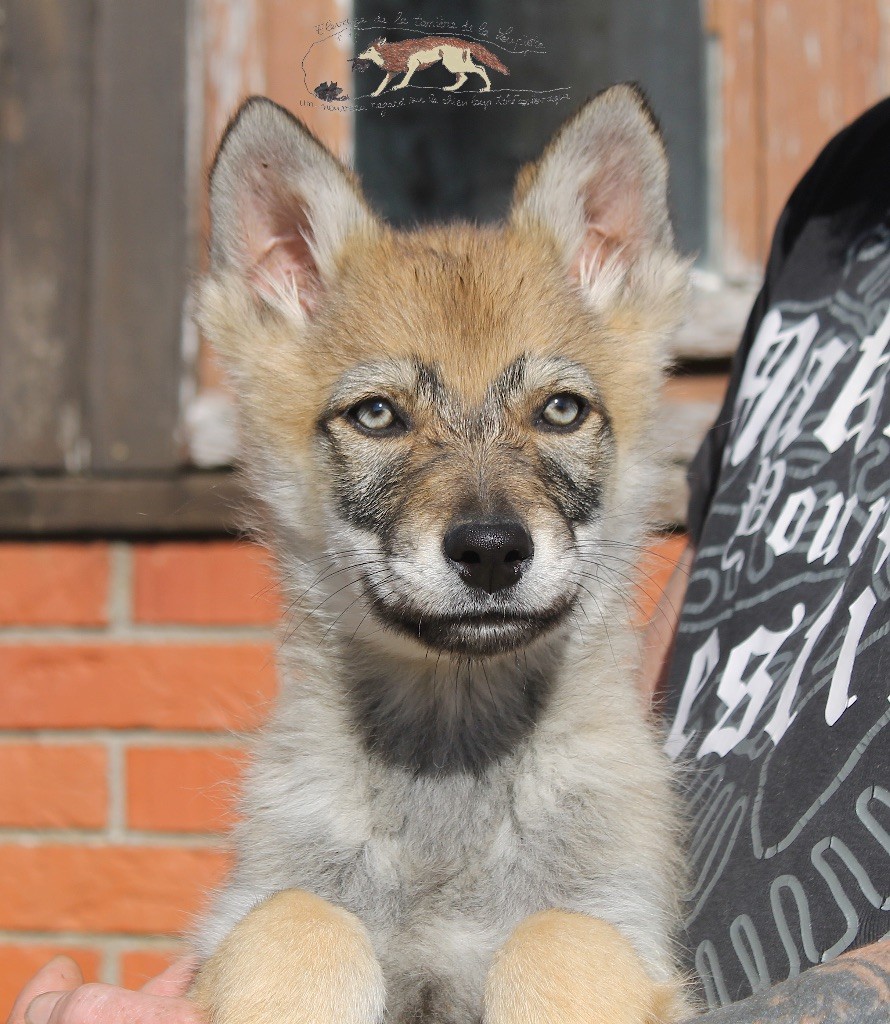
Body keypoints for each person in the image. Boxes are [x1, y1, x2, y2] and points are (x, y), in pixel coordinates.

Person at [8, 100, 890, 1024]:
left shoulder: (609, 812)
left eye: (557, 411)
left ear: (622, 279)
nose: (486, 527)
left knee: (571, 957)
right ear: (277, 295)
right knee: (292, 934)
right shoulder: (841, 195)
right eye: (381, 415)